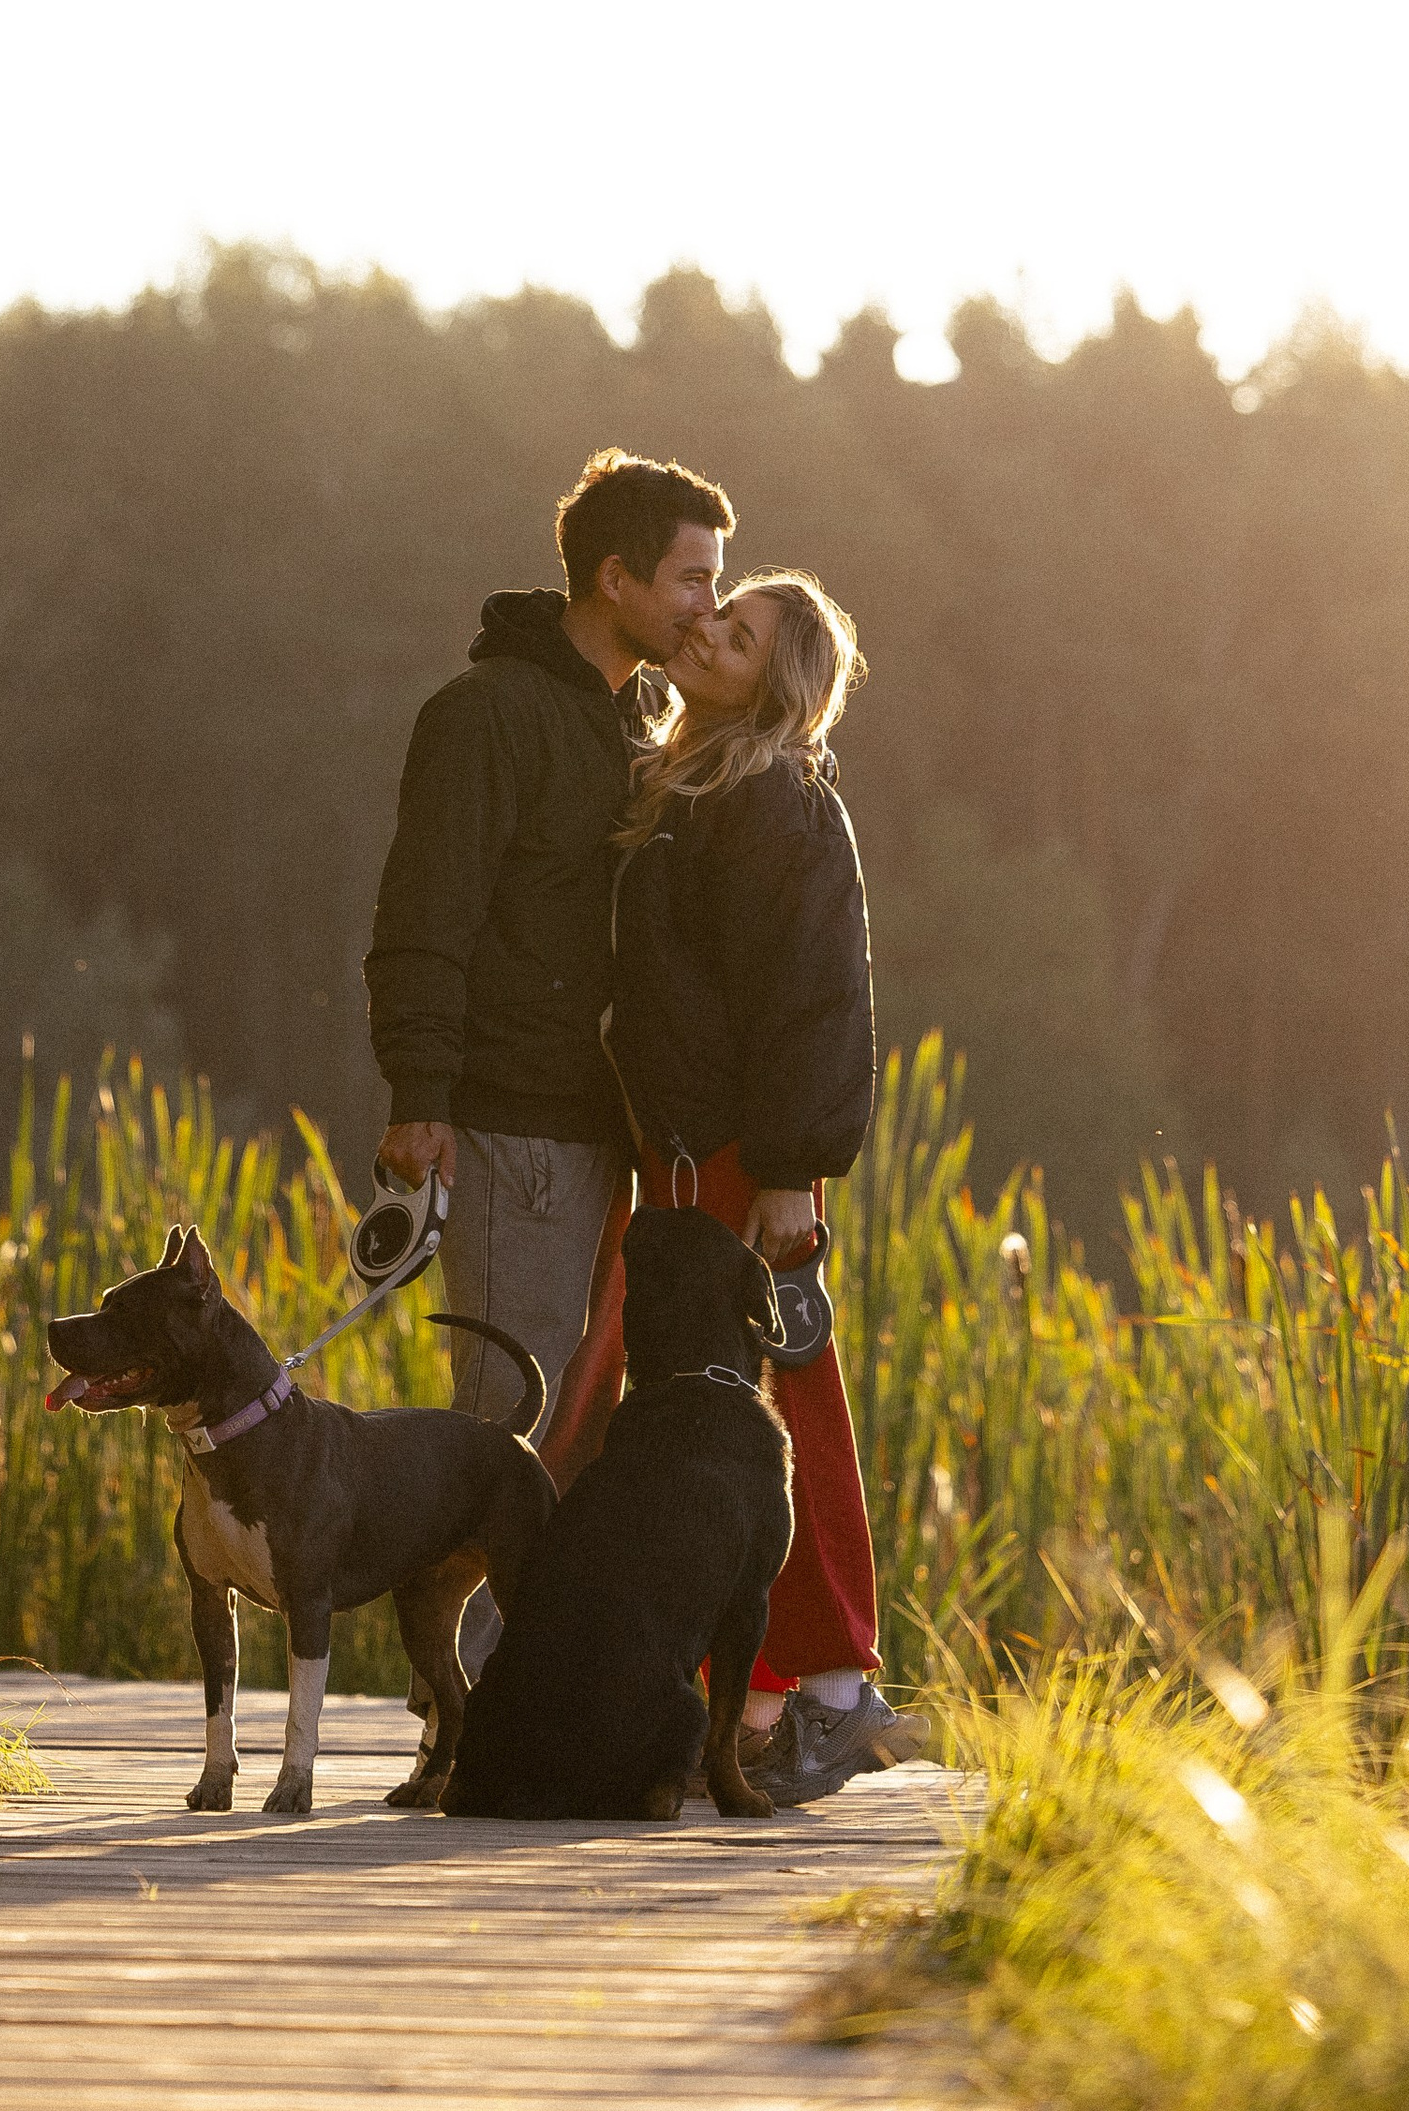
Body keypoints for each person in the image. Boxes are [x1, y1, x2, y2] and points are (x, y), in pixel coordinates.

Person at [606, 567, 911, 1804]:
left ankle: (838, 1689)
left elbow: (816, 996)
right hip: (683, 1151)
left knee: (796, 1404)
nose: (707, 638)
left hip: (750, 1157)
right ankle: (757, 1700)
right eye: (714, 620)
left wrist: (788, 1173)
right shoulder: (695, 779)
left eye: (736, 637)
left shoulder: (780, 798)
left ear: (775, 680)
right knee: (703, 1418)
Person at [365, 449, 732, 1456]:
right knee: (501, 1435)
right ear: (615, 578)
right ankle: (454, 1623)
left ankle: (525, 1625)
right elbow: (425, 914)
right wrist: (421, 1094)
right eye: (692, 578)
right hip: (505, 1124)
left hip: (600, 1131)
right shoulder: (485, 715)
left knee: (563, 1442)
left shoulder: (637, 724)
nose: (710, 604)